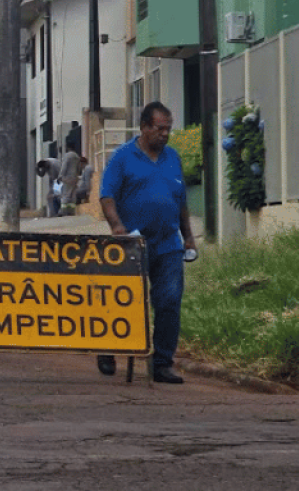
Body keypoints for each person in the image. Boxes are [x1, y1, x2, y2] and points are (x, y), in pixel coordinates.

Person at [94, 101, 197, 385]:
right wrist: (117, 227)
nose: (164, 134)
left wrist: (188, 236)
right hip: (133, 244)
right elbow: (106, 196)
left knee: (169, 301)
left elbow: (181, 201)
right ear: (144, 127)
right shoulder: (123, 157)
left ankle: (162, 362)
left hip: (168, 244)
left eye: (168, 129)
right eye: (159, 128)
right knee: (122, 300)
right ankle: (108, 347)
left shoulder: (173, 158)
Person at [58, 141, 82, 215]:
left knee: (66, 194)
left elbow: (64, 166)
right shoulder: (76, 156)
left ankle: (63, 211)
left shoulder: (67, 156)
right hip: (75, 178)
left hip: (67, 178)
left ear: (68, 148)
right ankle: (71, 211)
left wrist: (60, 176)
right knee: (72, 194)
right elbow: (79, 168)